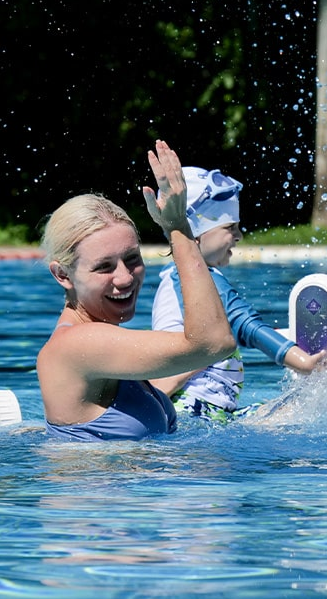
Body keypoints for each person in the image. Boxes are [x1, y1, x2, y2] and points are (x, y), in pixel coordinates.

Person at [36, 140, 237, 441]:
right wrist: (178, 227)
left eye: (132, 259)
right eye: (104, 267)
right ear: (62, 275)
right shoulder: (78, 343)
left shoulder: (104, 343)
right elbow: (214, 342)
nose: (125, 278)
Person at [150, 166, 327, 424]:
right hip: (195, 409)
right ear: (196, 233)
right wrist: (303, 363)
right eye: (230, 227)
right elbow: (245, 324)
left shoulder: (176, 277)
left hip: (207, 409)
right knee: (303, 410)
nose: (239, 236)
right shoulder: (196, 279)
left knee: (286, 410)